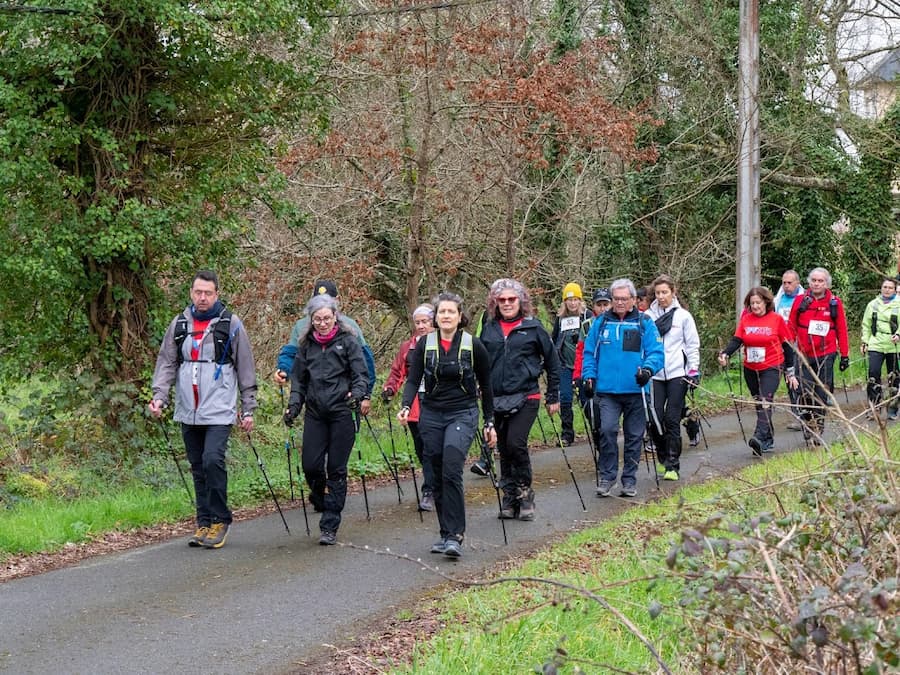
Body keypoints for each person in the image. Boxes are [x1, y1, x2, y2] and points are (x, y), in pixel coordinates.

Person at [149, 270, 258, 549]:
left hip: (219, 407)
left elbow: (245, 367)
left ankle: (221, 520)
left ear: (216, 294)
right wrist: (159, 396)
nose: (202, 297)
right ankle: (204, 522)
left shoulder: (231, 324)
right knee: (198, 466)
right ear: (191, 293)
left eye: (208, 293)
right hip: (188, 408)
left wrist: (248, 408)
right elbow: (167, 362)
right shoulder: (179, 324)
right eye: (198, 292)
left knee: (212, 460)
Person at [398, 292, 495, 558]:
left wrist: (489, 421)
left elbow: (487, 386)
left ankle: (455, 535)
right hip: (431, 413)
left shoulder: (474, 345)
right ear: (436, 317)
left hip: (462, 413)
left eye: (451, 312)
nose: (446, 316)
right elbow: (413, 379)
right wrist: (405, 406)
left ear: (460, 316)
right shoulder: (424, 344)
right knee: (435, 472)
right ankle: (445, 532)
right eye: (442, 312)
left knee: (451, 468)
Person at [283, 294, 369, 545]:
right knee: (310, 465)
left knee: (336, 469)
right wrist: (293, 407)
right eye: (317, 319)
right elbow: (299, 381)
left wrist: (357, 394)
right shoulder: (306, 345)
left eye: (327, 318)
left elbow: (360, 374)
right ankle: (321, 498)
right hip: (316, 413)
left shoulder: (348, 341)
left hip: (343, 411)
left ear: (335, 317)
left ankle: (330, 524)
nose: (322, 323)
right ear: (311, 320)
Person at [480, 278, 560, 521]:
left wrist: (553, 395)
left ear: (520, 301)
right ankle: (509, 497)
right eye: (501, 299)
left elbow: (553, 362)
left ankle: (525, 494)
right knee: (503, 448)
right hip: (496, 397)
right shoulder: (489, 328)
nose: (506, 303)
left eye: (511, 299)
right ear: (495, 302)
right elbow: (481, 363)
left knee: (516, 443)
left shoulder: (534, 327)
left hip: (526, 395)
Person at [581, 278, 664, 498]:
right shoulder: (601, 323)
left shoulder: (644, 323)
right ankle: (607, 477)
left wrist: (647, 370)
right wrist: (588, 377)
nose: (619, 303)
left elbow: (656, 353)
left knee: (634, 436)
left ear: (633, 300)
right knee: (607, 430)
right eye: (615, 299)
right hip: (607, 391)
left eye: (624, 299)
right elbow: (589, 353)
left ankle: (629, 479)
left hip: (636, 390)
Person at [274, 279, 375, 415]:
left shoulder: (350, 326)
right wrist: (284, 370)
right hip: (314, 401)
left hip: (345, 399)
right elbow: (291, 354)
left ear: (337, 301)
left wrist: (366, 394)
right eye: (318, 300)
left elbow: (364, 361)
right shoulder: (301, 327)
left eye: (328, 300)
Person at [718, 287, 798, 455]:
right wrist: (726, 353)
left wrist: (790, 371)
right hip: (751, 368)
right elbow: (737, 340)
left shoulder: (776, 319)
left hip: (772, 366)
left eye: (758, 303)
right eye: (752, 303)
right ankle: (767, 438)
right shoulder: (746, 319)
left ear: (766, 302)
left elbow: (787, 346)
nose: (755, 306)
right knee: (759, 403)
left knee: (765, 400)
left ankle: (759, 437)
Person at [643, 275, 700, 481]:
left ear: (673, 292)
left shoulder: (683, 316)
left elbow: (692, 344)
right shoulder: (647, 317)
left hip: (678, 374)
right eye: (658, 293)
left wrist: (693, 370)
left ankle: (673, 465)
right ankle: (663, 456)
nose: (661, 296)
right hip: (655, 375)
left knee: (672, 419)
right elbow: (643, 345)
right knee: (654, 419)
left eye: (665, 292)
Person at [382, 304, 437, 510]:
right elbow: (398, 372)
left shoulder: (444, 343)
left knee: (432, 448)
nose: (421, 326)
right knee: (422, 448)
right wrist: (390, 389)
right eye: (418, 322)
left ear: (434, 322)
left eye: (425, 322)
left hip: (439, 402)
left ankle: (429, 491)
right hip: (415, 404)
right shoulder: (408, 346)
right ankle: (434, 483)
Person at [788, 267, 850, 443]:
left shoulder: (834, 303)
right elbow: (791, 326)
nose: (816, 284)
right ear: (809, 282)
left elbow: (842, 329)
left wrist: (844, 355)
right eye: (814, 280)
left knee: (822, 393)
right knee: (803, 391)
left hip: (826, 354)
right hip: (803, 354)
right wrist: (788, 350)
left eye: (820, 281)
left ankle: (818, 429)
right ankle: (808, 424)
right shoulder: (800, 300)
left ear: (826, 283)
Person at [551, 282, 592, 446]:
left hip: (583, 366)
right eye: (569, 300)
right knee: (565, 399)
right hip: (565, 365)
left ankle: (596, 428)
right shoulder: (560, 318)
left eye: (575, 299)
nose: (573, 303)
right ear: (565, 302)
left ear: (580, 300)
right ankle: (567, 434)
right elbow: (554, 340)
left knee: (586, 399)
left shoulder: (587, 316)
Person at [860, 277, 900, 420]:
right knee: (873, 373)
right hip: (876, 343)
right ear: (881, 288)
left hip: (894, 345)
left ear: (895, 290)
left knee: (894, 376)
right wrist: (865, 342)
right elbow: (866, 324)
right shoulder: (872, 304)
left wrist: (898, 334)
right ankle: (875, 406)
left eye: (890, 288)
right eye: (885, 287)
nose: (887, 290)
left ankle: (893, 408)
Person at [774, 270, 805, 430]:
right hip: (781, 346)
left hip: (799, 346)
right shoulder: (777, 300)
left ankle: (805, 415)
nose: (786, 286)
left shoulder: (804, 299)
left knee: (798, 380)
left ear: (797, 283)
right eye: (784, 283)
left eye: (790, 283)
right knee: (787, 381)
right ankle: (797, 416)